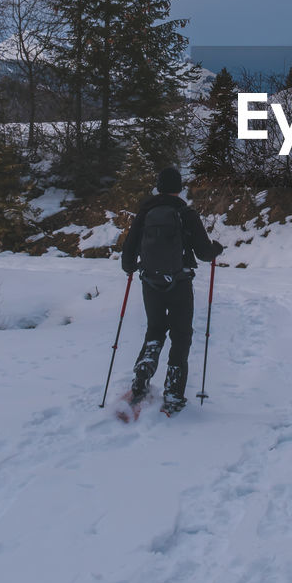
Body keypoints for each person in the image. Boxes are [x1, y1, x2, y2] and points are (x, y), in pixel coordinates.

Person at [121, 165, 223, 412]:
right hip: (180, 283)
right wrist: (216, 249)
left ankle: (143, 372)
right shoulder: (186, 213)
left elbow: (127, 254)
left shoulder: (145, 212)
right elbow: (204, 253)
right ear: (179, 188)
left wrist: (132, 267)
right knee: (181, 336)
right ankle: (174, 393)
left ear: (159, 187)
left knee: (155, 330)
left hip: (150, 282)